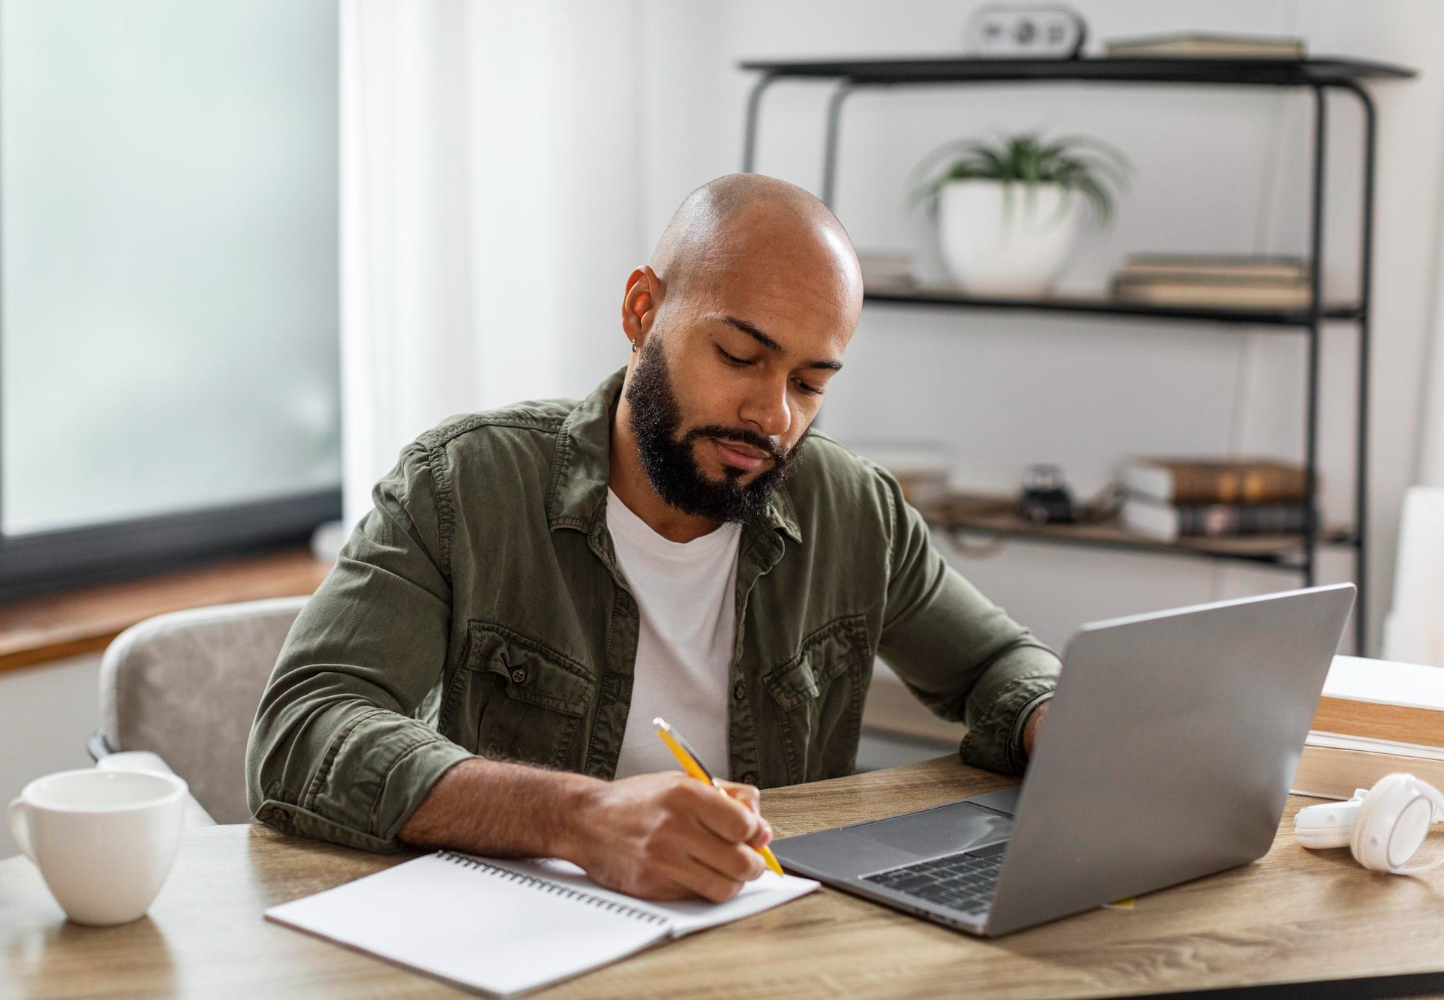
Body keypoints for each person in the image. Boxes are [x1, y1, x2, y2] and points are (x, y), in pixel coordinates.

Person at [246, 173, 1060, 904]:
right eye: (740, 355)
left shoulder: (854, 511)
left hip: (765, 945)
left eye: (810, 383)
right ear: (642, 310)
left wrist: (1049, 716)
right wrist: (578, 818)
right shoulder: (463, 485)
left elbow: (998, 664)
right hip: (516, 935)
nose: (773, 416)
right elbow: (306, 726)